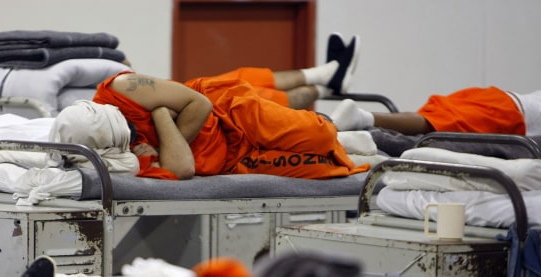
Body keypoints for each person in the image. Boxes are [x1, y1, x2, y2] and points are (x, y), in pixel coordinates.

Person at [88, 34, 369, 181]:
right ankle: (330, 90)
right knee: (323, 165)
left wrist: (164, 142)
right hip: (227, 158)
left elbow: (198, 105)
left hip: (226, 113)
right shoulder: (116, 159)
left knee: (318, 133)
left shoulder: (117, 92)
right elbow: (181, 165)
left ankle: (325, 81)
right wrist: (163, 113)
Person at [331, 86, 541, 137]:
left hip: (502, 100)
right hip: (506, 110)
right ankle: (362, 118)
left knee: (432, 121)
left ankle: (362, 118)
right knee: (433, 122)